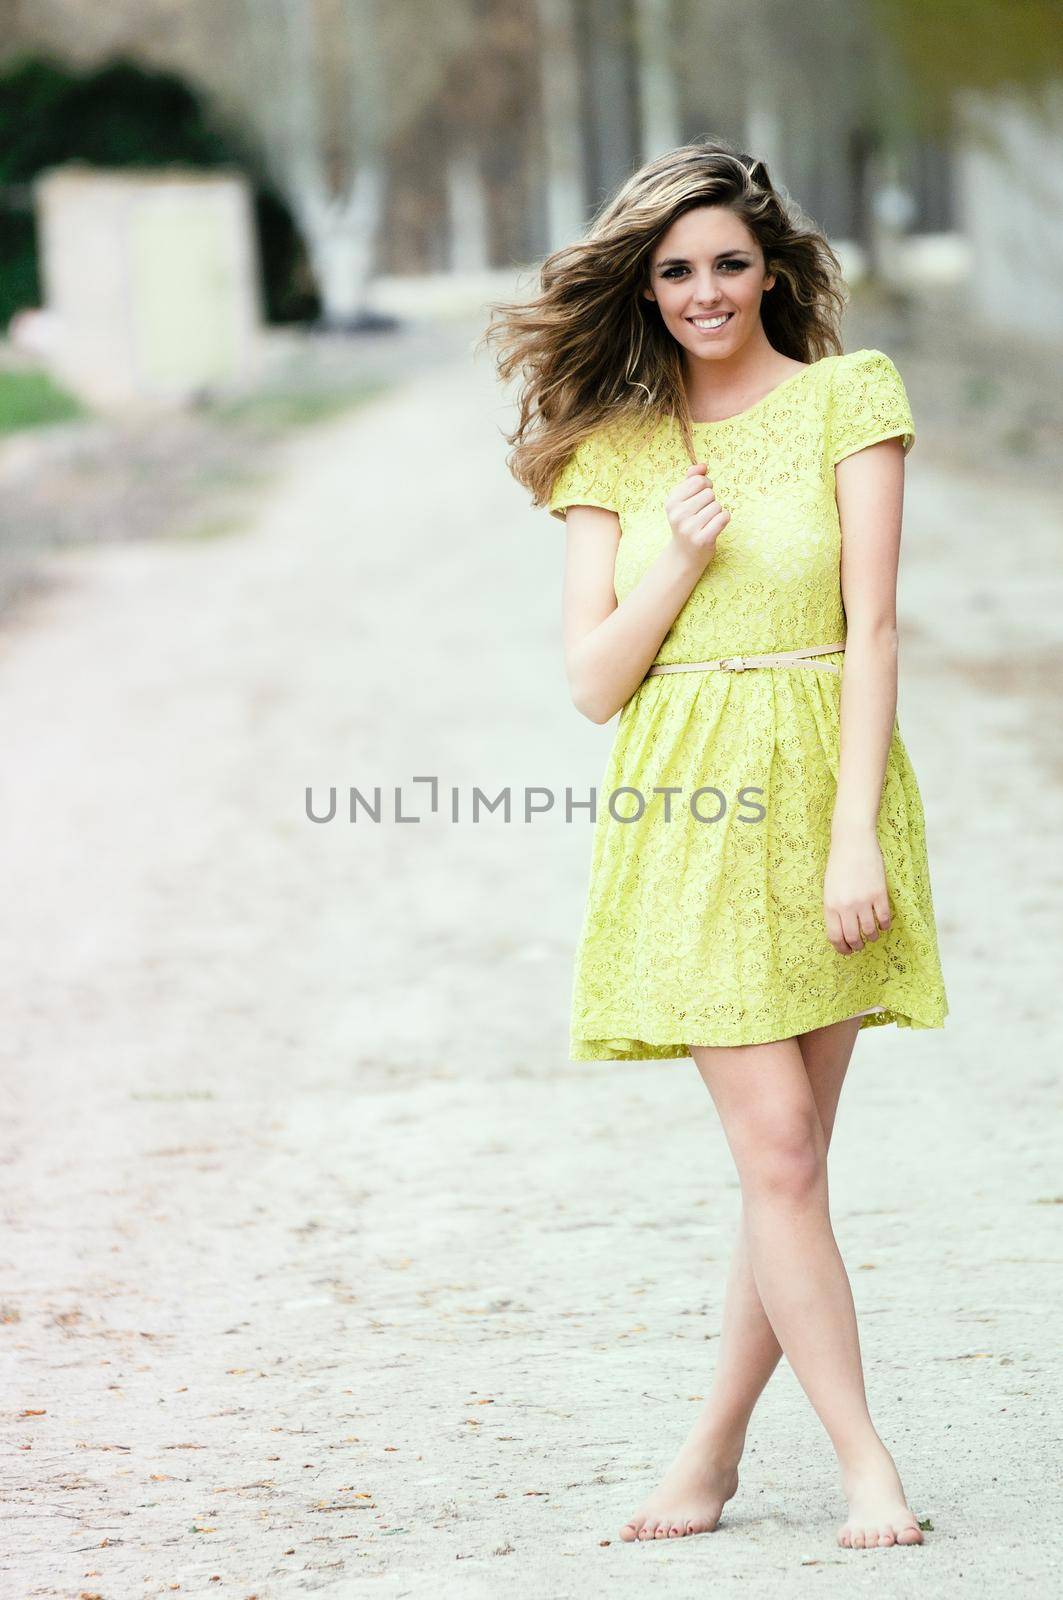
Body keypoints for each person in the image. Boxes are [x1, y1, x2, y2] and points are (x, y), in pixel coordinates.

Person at [481, 139, 948, 1551]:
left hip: (829, 791)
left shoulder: (846, 400)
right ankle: (866, 1463)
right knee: (782, 1152)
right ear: (644, 283)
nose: (704, 291)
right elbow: (589, 683)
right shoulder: (612, 450)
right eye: (676, 269)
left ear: (771, 270)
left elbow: (872, 627)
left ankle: (710, 1456)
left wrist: (854, 835)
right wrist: (675, 559)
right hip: (688, 805)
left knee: (785, 1167)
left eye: (729, 264)